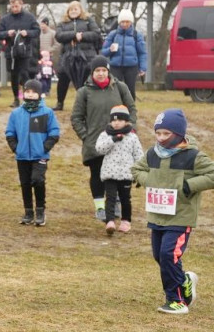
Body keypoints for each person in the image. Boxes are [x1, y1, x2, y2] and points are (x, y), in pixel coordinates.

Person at [131, 109, 214, 315]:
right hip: (158, 215)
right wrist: (149, 181)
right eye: (158, 133)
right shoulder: (152, 153)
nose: (160, 138)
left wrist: (189, 185)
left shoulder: (193, 156)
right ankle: (184, 280)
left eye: (166, 134)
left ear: (178, 134)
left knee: (169, 254)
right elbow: (137, 169)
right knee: (161, 255)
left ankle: (176, 300)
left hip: (181, 215)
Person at [71, 56, 137, 221]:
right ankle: (100, 207)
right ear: (92, 72)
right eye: (97, 71)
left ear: (108, 71)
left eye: (104, 70)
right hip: (95, 142)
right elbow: (76, 118)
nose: (101, 74)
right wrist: (86, 137)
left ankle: (115, 205)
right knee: (97, 175)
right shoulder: (84, 92)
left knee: (117, 175)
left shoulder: (120, 87)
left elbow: (132, 109)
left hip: (120, 141)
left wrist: (129, 129)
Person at [4, 80, 60, 227]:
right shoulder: (16, 113)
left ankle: (40, 211)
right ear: (23, 93)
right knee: (25, 183)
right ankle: (28, 212)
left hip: (39, 155)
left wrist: (45, 147)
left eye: (34, 92)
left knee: (38, 180)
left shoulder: (46, 112)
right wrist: (16, 147)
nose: (30, 94)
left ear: (39, 94)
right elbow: (10, 132)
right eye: (28, 91)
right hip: (22, 156)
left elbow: (54, 132)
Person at [95, 104, 143, 235]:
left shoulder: (132, 137)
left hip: (126, 175)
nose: (116, 123)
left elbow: (139, 155)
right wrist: (112, 140)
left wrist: (139, 174)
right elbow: (99, 149)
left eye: (120, 120)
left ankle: (126, 220)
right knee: (110, 198)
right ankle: (109, 221)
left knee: (125, 199)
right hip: (110, 174)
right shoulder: (105, 135)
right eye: (114, 120)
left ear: (126, 121)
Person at [53, 1, 102, 111]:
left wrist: (82, 36)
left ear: (80, 10)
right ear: (68, 12)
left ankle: (85, 104)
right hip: (67, 56)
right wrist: (74, 35)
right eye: (71, 9)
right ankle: (60, 102)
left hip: (86, 56)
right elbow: (59, 36)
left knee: (84, 81)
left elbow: (96, 33)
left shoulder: (88, 21)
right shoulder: (62, 23)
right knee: (63, 80)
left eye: (76, 9)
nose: (73, 11)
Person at [0, 0, 41, 108]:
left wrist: (27, 33)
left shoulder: (29, 17)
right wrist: (7, 33)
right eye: (12, 6)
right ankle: (16, 98)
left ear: (22, 4)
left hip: (25, 51)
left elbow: (37, 31)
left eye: (17, 6)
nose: (14, 8)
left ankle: (27, 99)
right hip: (11, 52)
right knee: (14, 76)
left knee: (25, 74)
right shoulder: (5, 19)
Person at [101, 9, 148, 100]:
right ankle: (115, 109)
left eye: (127, 22)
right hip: (115, 67)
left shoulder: (136, 35)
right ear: (119, 22)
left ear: (131, 22)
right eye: (122, 22)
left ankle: (130, 111)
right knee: (114, 89)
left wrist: (143, 68)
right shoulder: (112, 34)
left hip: (131, 67)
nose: (125, 24)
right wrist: (110, 49)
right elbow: (104, 52)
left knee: (130, 90)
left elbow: (142, 53)